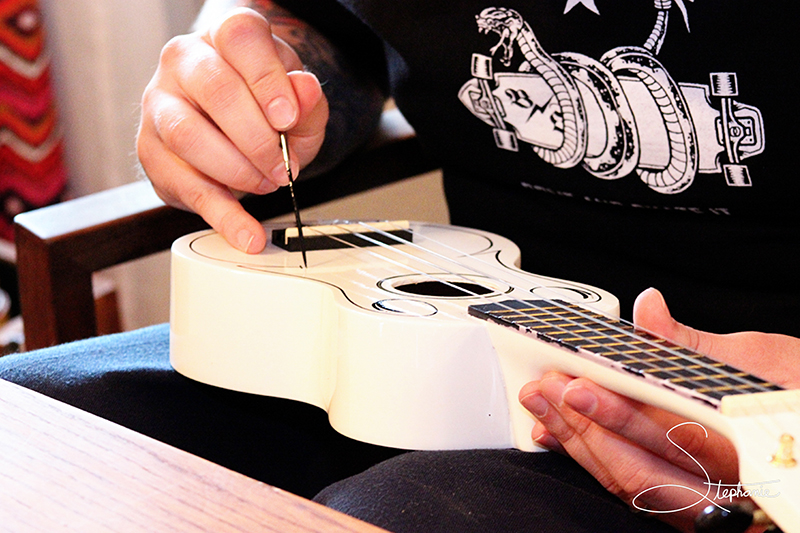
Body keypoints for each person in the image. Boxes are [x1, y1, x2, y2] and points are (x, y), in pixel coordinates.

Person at [2, 1, 798, 532]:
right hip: (444, 333)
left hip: (763, 420)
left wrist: (785, 452)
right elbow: (322, 24)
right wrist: (243, 78)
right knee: (30, 430)